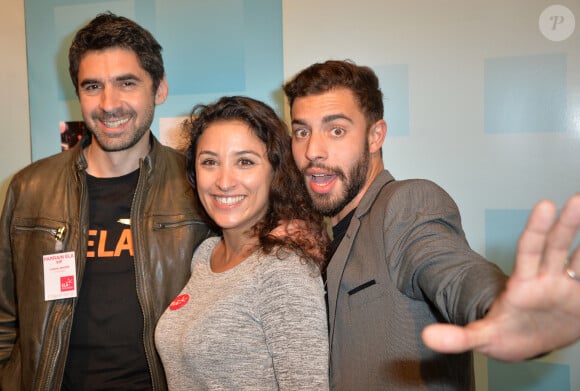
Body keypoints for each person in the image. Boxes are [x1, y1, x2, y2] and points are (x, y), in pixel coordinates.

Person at [283, 59, 580, 390]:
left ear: (375, 136)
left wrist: (501, 307)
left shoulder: (405, 204)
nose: (313, 151)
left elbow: (452, 269)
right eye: (301, 131)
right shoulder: (324, 238)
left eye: (336, 130)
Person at [0, 12, 212, 391]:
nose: (108, 104)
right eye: (92, 86)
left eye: (126, 83)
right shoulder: (30, 188)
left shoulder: (198, 187)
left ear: (159, 89)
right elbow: (4, 318)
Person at [155, 96, 330, 390]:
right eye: (210, 162)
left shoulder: (283, 271)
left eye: (245, 162)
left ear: (275, 172)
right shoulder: (205, 254)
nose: (224, 181)